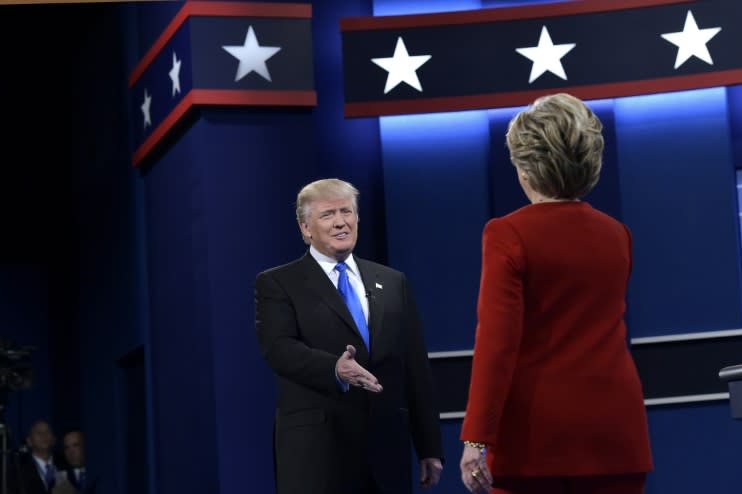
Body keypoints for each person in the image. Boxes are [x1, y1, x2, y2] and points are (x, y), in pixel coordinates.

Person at [459, 93, 653, 494]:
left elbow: (496, 343)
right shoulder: (618, 235)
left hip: (534, 441)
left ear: (526, 169)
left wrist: (477, 438)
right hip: (616, 433)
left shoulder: (507, 233)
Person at [254, 178, 443, 494]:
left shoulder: (393, 281)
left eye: (347, 212)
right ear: (305, 228)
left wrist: (429, 446)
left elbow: (415, 367)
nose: (341, 222)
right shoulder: (278, 283)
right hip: (317, 452)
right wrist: (334, 369)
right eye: (328, 214)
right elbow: (278, 349)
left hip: (386, 452)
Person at [10, 420, 62, 494]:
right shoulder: (17, 469)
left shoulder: (64, 463)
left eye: (47, 431)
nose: (44, 435)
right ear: (29, 441)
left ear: (54, 439)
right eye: (39, 433)